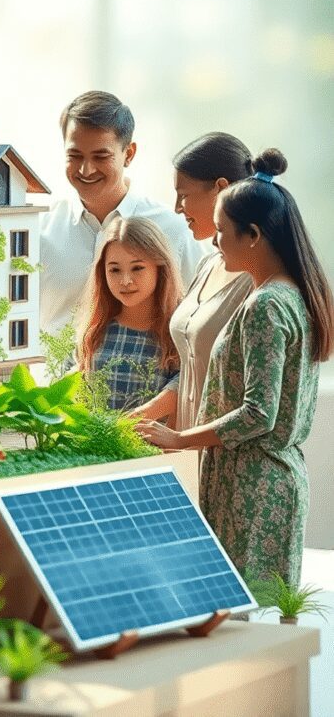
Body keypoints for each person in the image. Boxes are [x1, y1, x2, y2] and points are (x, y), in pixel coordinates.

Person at [139, 150, 333, 588]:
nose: (214, 242)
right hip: (260, 482)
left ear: (253, 235)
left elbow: (257, 414)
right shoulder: (290, 296)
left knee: (245, 624)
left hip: (254, 488)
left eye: (223, 232)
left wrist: (179, 438)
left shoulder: (266, 305)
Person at [40, 90, 205, 337]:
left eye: (101, 156)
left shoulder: (173, 230)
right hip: (54, 375)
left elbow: (202, 317)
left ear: (128, 154)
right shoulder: (38, 231)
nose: (86, 169)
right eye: (74, 156)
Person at [131, 133, 254, 428]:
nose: (176, 207)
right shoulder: (207, 264)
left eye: (183, 194)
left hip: (231, 458)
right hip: (190, 449)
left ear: (220, 189)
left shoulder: (257, 280)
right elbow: (193, 369)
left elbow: (258, 407)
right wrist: (140, 417)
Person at [77, 217, 181, 411]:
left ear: (160, 268)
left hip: (152, 441)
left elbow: (186, 386)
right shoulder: (94, 329)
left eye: (137, 268)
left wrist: (133, 421)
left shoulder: (178, 330)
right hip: (94, 438)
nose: (125, 281)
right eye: (115, 270)